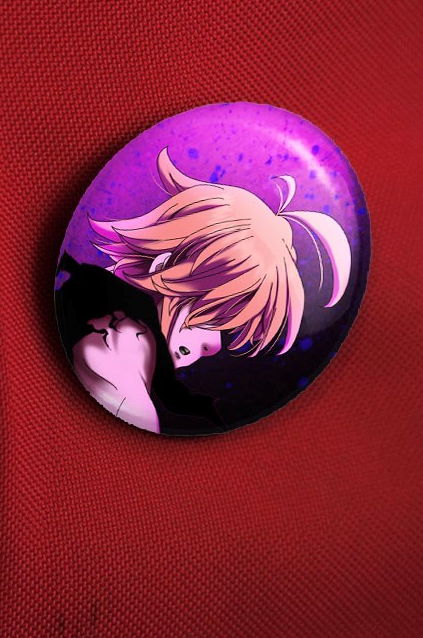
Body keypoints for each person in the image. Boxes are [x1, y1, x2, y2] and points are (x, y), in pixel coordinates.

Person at [55, 148, 352, 434]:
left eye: (227, 324)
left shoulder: (133, 361)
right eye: (214, 314)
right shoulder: (111, 357)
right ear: (165, 268)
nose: (214, 346)